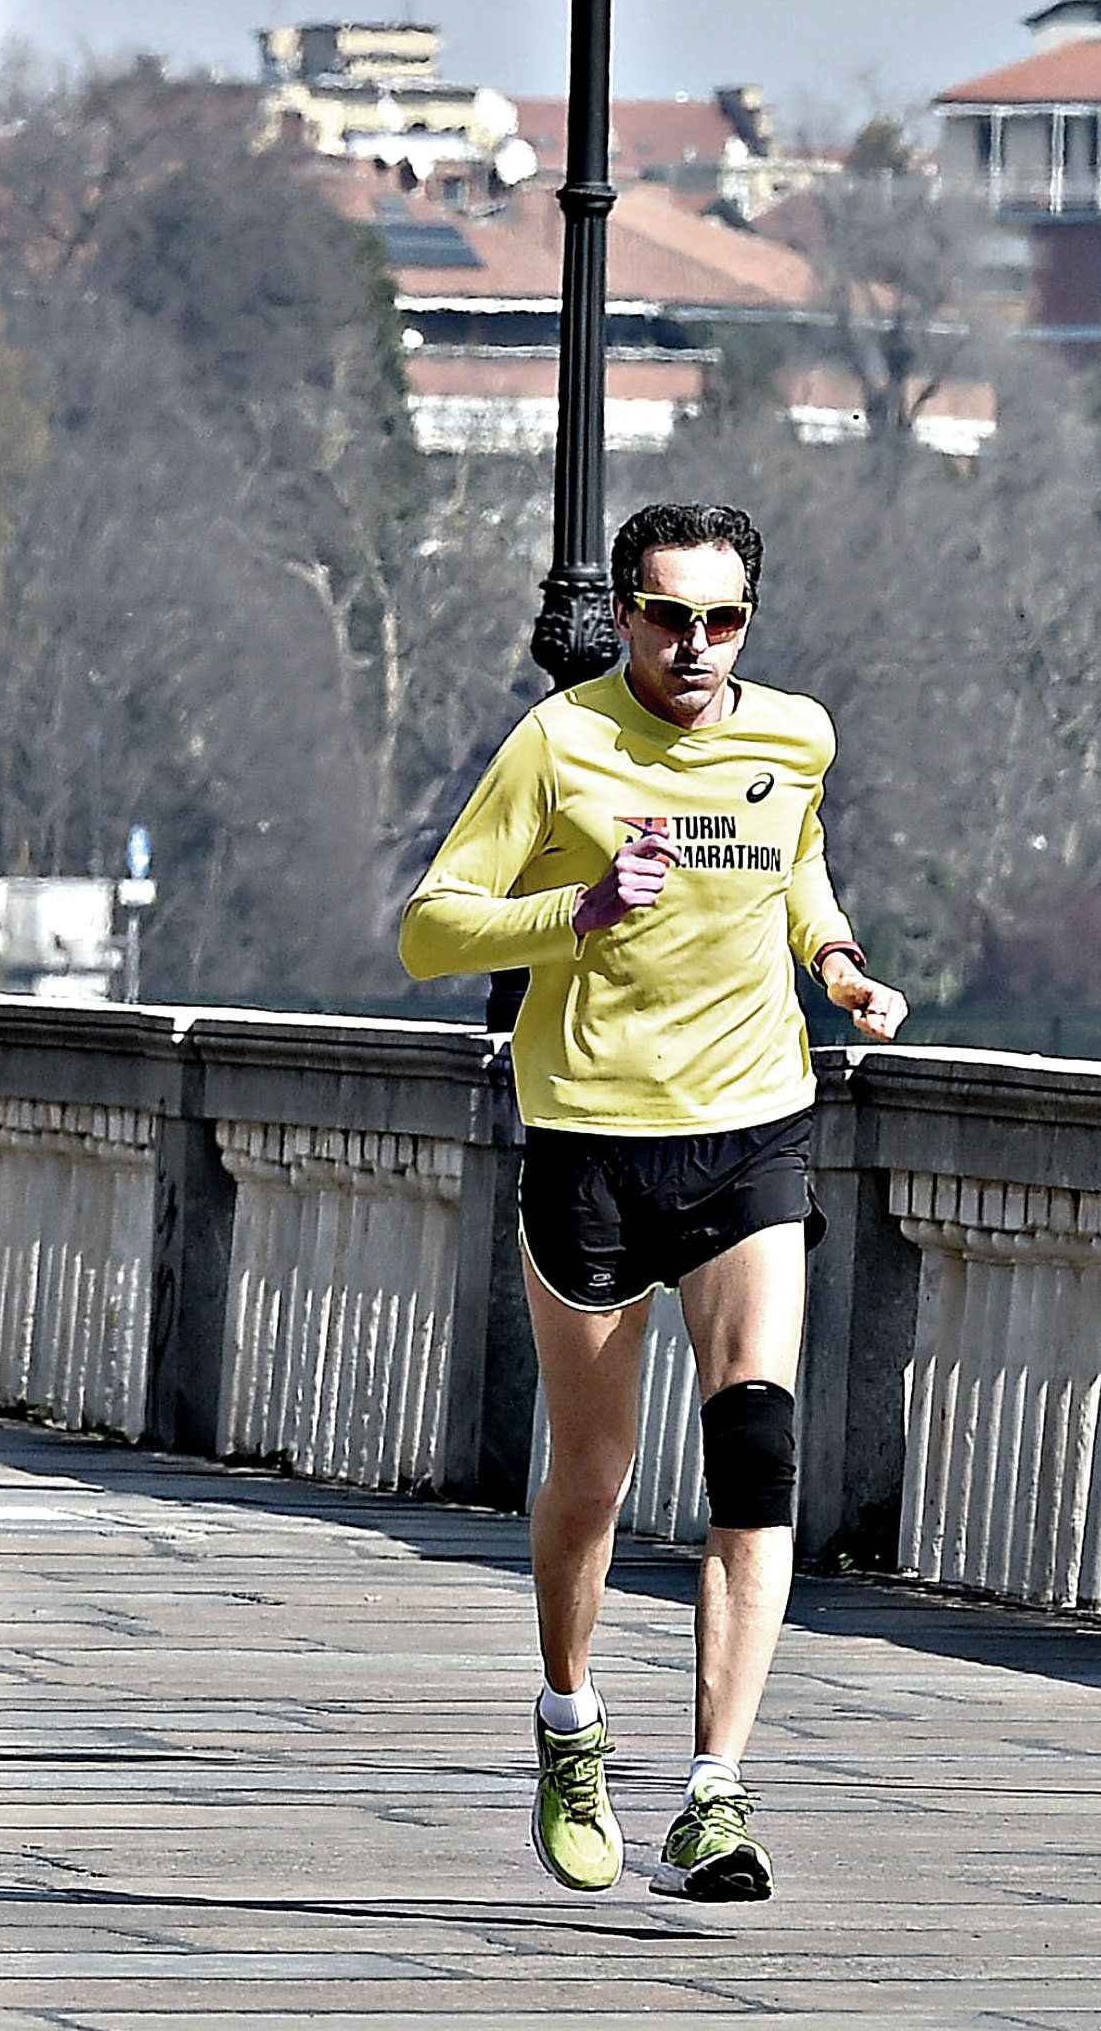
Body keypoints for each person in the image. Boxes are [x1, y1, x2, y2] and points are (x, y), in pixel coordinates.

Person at [398, 500, 907, 1902]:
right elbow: (430, 923)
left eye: (725, 619)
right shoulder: (559, 743)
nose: (697, 646)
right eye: (671, 617)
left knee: (757, 1440)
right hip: (591, 1141)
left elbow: (793, 860)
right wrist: (572, 917)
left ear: (752, 620)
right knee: (596, 1470)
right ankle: (569, 1721)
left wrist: (839, 958)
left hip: (751, 1126)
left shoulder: (793, 734)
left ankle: (717, 1796)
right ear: (622, 614)